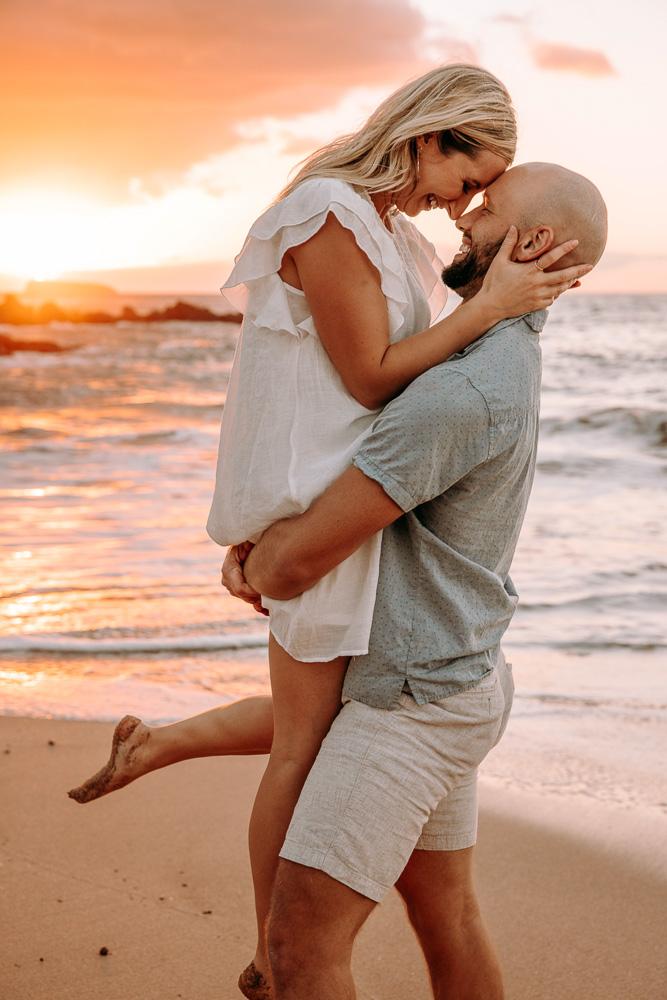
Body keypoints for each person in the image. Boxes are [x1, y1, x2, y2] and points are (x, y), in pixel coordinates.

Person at [68, 61, 593, 999]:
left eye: (481, 199)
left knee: (316, 756)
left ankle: (274, 964)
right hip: (396, 590)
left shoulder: (456, 334)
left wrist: (280, 550)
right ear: (429, 134)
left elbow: (378, 394)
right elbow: (362, 380)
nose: (462, 209)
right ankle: (254, 924)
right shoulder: (350, 224)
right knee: (338, 765)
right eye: (468, 181)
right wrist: (280, 530)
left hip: (381, 603)